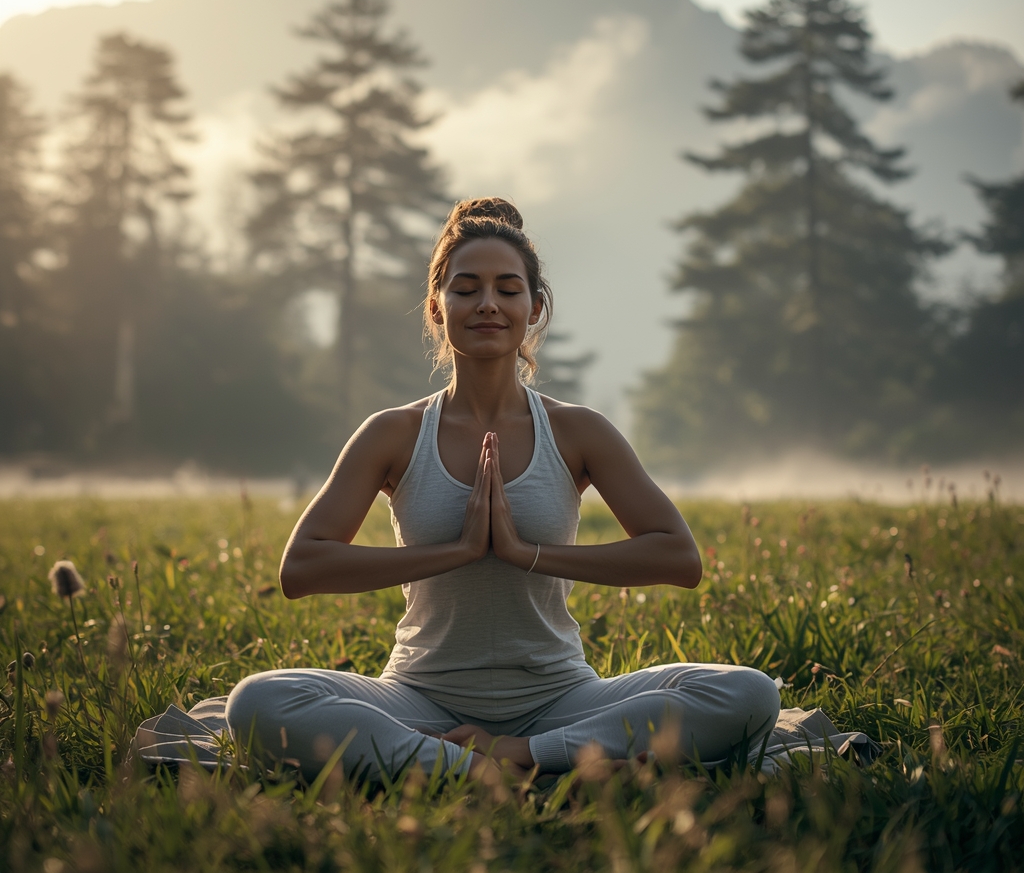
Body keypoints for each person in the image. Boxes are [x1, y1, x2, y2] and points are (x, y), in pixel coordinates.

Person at [226, 198, 780, 783]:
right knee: (258, 701)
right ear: (437, 309)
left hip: (559, 697)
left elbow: (679, 557)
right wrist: (458, 551)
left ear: (534, 308)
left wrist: (527, 554)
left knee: (748, 694)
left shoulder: (576, 431)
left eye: (507, 289)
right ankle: (475, 765)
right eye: (466, 289)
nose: (487, 303)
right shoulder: (394, 433)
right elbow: (301, 568)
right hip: (420, 698)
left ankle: (520, 755)